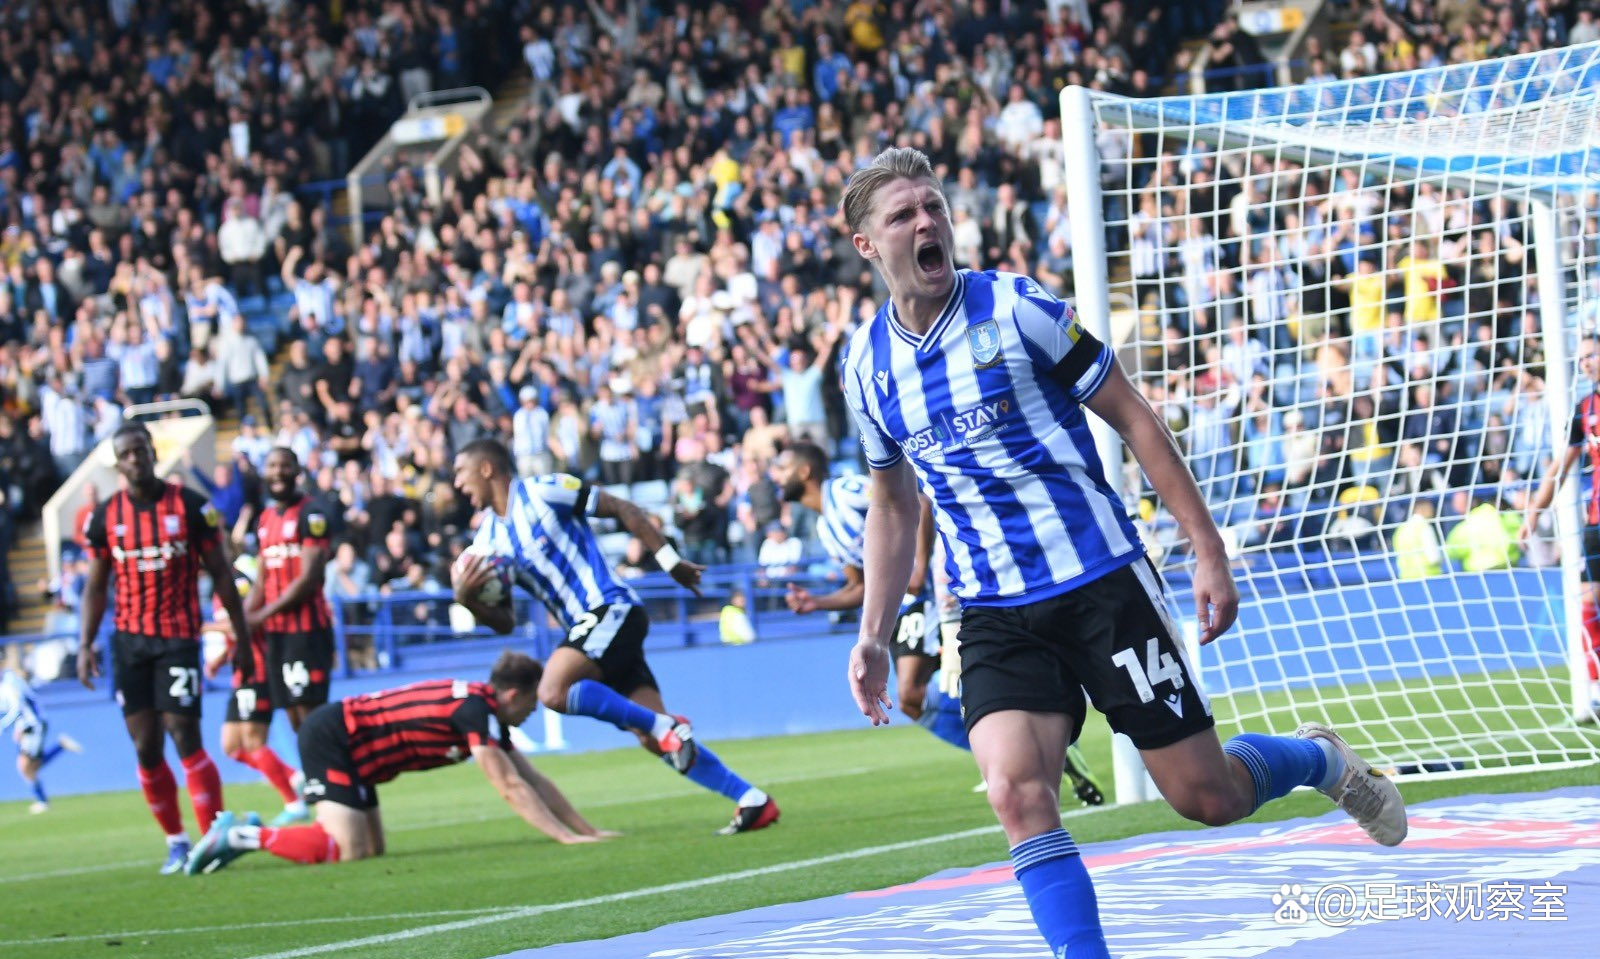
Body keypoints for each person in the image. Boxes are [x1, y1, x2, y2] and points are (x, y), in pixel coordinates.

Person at [836, 148, 1406, 958]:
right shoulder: (864, 368)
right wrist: (873, 630)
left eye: (933, 206)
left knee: (1206, 796)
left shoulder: (1020, 308)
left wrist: (1206, 546)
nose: (927, 223)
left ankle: (1321, 761)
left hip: (1100, 580)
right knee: (1015, 790)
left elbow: (1132, 414)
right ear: (867, 245)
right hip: (994, 608)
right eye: (903, 215)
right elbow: (893, 504)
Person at [450, 438, 779, 835]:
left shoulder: (544, 490)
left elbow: (622, 508)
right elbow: (503, 622)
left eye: (461, 473)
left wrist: (669, 561)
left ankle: (666, 728)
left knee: (553, 690)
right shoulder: (486, 543)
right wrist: (468, 600)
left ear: (486, 468)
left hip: (611, 608)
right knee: (648, 733)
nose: (457, 484)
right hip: (589, 633)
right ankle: (751, 800)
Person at [775, 441, 1106, 805]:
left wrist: (918, 565)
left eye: (784, 467)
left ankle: (1017, 760)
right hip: (899, 609)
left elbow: (917, 502)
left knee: (916, 690)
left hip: (933, 592)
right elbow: (861, 586)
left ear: (805, 471)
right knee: (914, 702)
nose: (777, 475)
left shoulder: (844, 489)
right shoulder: (826, 528)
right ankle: (1020, 759)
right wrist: (817, 602)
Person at [185, 650, 611, 873]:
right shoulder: (475, 711)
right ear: (514, 695)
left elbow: (532, 779)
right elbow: (509, 787)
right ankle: (243, 836)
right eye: (532, 705)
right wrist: (563, 838)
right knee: (346, 851)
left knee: (371, 851)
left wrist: (588, 830)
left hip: (358, 749)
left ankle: (246, 836)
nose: (533, 714)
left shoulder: (483, 712)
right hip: (333, 736)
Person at [79, 422, 254, 874]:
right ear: (117, 463)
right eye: (126, 454)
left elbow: (221, 574)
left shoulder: (191, 506)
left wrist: (243, 636)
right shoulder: (105, 518)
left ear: (153, 453)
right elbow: (96, 588)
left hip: (177, 637)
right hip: (129, 643)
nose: (135, 459)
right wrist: (84, 644)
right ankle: (176, 841)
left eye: (140, 450)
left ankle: (213, 835)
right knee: (145, 746)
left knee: (183, 732)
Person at [1521, 338, 1600, 716]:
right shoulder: (1585, 409)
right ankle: (1596, 686)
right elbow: (1559, 466)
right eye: (1582, 357)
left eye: (1591, 355)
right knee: (1588, 602)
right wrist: (1535, 509)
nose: (1586, 363)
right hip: (1597, 520)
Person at [201, 555, 308, 827]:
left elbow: (241, 626)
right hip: (241, 672)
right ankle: (293, 777)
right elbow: (237, 634)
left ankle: (293, 803)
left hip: (259, 670)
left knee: (253, 742)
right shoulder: (222, 585)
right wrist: (221, 658)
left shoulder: (236, 581)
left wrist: (202, 627)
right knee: (231, 746)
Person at [249, 447, 341, 732]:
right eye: (272, 465)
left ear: (297, 472)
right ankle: (312, 774)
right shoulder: (264, 519)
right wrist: (243, 619)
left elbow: (309, 578)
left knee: (313, 715)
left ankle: (330, 772)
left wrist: (260, 616)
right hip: (276, 634)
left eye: (285, 466)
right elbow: (261, 581)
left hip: (307, 631)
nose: (278, 472)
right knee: (293, 716)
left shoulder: (313, 514)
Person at [1, 668, 82, 813]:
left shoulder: (9, 682)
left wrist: (5, 726)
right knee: (29, 766)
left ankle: (42, 801)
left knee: (25, 766)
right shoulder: (7, 681)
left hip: (33, 724)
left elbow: (18, 707)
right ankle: (60, 746)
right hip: (27, 724)